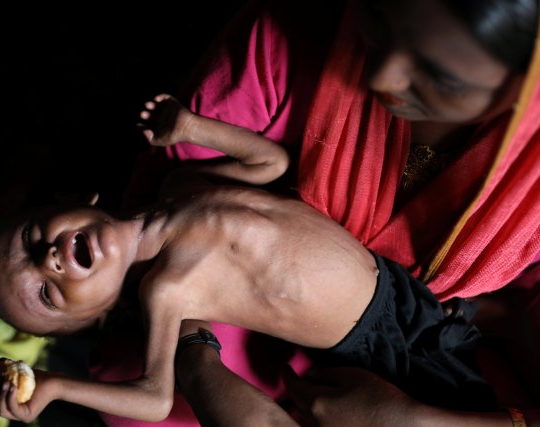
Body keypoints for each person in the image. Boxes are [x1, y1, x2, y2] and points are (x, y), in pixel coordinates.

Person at [92, 0, 540, 425]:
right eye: (377, 20)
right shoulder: (292, 31)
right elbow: (166, 209)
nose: (383, 77)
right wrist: (197, 358)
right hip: (234, 295)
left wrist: (417, 420)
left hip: (430, 357)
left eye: (441, 77)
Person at [0, 93, 495, 424]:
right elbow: (156, 399)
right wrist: (54, 387)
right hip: (375, 344)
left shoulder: (179, 182)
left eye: (29, 237)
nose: (49, 259)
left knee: (490, 359)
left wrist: (191, 127)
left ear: (74, 201)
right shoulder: (167, 291)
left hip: (397, 283)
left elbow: (272, 161)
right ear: (96, 314)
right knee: (482, 402)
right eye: (47, 291)